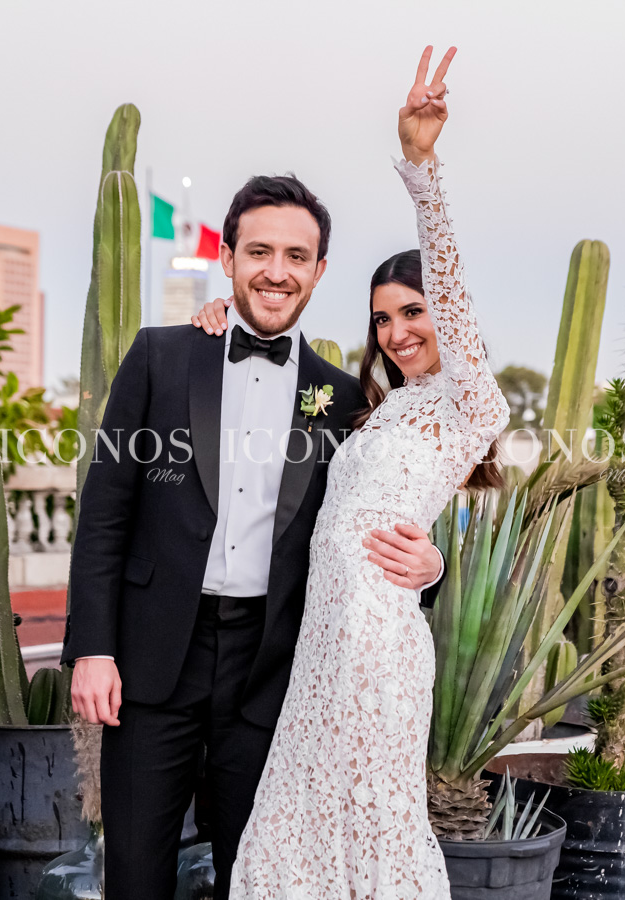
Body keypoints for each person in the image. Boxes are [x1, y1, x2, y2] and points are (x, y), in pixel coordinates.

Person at [61, 83, 446, 900]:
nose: (276, 271)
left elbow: (387, 508)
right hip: (150, 662)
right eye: (259, 252)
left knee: (262, 879)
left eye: (296, 257)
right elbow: (104, 515)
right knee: (135, 877)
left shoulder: (345, 399)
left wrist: (431, 568)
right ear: (229, 257)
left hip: (276, 673)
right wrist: (91, 648)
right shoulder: (161, 357)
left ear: (319, 271)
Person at [194, 43, 510, 898]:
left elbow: (451, 290)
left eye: (413, 312)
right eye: (381, 319)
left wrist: (421, 170)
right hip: (319, 644)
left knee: (372, 826)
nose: (397, 332)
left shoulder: (470, 404)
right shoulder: (377, 409)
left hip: (375, 649)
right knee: (294, 825)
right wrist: (220, 316)